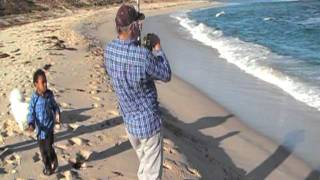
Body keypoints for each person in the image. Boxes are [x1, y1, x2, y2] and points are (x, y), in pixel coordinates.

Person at [104, 4, 171, 180]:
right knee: (152, 174)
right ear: (133, 27)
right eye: (138, 24)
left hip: (130, 123)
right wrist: (157, 47)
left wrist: (139, 47)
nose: (140, 26)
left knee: (145, 166)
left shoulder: (109, 50)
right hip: (149, 125)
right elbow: (165, 74)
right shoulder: (143, 57)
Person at [27, 69, 61, 176]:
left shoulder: (49, 95)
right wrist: (31, 124)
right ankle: (47, 167)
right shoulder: (34, 98)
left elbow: (55, 106)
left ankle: (53, 158)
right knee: (43, 151)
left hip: (49, 128)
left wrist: (57, 114)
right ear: (36, 84)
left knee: (49, 147)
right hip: (39, 130)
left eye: (46, 81)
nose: (45, 84)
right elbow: (31, 112)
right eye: (43, 82)